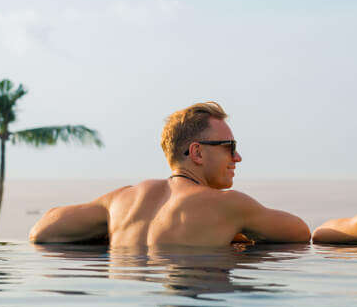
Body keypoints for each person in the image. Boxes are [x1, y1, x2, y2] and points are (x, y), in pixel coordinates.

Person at [29, 101, 310, 247]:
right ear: (197, 153)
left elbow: (41, 231)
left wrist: (108, 231)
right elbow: (301, 232)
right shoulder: (229, 205)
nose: (237, 157)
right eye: (229, 147)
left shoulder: (120, 201)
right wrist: (236, 231)